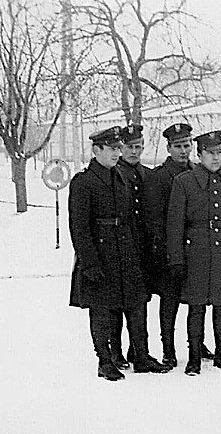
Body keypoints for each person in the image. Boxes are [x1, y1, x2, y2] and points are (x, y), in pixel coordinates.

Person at [69, 127, 169, 381]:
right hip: (101, 253)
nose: (117, 153)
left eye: (118, 148)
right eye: (112, 149)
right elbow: (79, 228)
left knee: (137, 304)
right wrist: (89, 263)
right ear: (96, 150)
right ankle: (105, 361)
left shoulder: (121, 177)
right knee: (102, 309)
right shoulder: (84, 182)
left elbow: (130, 217)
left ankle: (141, 356)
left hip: (126, 251)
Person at [167, 130, 221, 375]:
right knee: (196, 306)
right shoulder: (184, 182)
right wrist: (176, 259)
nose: (215, 158)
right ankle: (194, 356)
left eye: (219, 152)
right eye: (210, 153)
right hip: (196, 251)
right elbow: (175, 225)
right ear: (199, 154)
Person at [145, 122, 213, 368]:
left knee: (197, 298)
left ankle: (198, 343)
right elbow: (155, 217)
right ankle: (168, 348)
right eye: (178, 147)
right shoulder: (159, 177)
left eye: (186, 146)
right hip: (170, 248)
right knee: (170, 300)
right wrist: (164, 249)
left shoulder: (199, 172)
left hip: (195, 247)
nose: (183, 151)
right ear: (168, 148)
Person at [111, 124, 151, 367]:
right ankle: (115, 352)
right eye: (129, 147)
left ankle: (138, 351)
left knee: (139, 301)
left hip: (141, 246)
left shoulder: (148, 174)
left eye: (138, 147)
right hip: (119, 245)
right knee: (116, 302)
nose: (134, 152)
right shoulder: (114, 174)